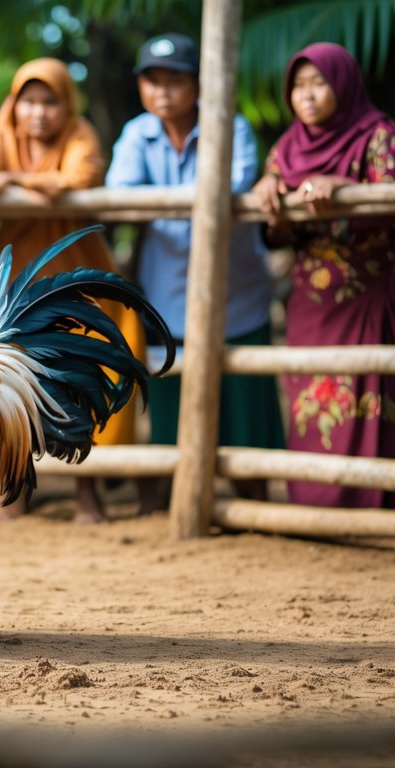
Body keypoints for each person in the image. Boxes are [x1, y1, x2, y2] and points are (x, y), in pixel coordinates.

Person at [107, 33, 283, 516]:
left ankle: (257, 504)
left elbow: (236, 182)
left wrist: (166, 200)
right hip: (165, 297)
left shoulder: (232, 127)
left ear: (199, 83)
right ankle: (170, 504)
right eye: (152, 80)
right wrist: (185, 198)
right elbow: (119, 193)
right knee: (170, 410)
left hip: (236, 293)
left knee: (249, 406)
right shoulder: (135, 134)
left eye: (175, 80)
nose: (162, 91)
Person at [0, 57, 145, 523]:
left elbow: (78, 179)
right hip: (16, 280)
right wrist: (17, 181)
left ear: (67, 105)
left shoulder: (81, 131)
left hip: (81, 277)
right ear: (15, 105)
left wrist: (13, 180)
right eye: (29, 102)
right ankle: (14, 487)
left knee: (87, 369)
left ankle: (89, 490)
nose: (39, 113)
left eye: (50, 102)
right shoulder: (3, 132)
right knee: (7, 378)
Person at [252, 42, 395, 509]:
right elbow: (274, 236)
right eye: (298, 87)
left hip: (368, 294)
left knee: (371, 397)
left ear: (343, 84)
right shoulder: (286, 149)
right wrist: (270, 197)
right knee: (309, 399)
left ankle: (373, 509)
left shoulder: (379, 136)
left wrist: (345, 188)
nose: (308, 96)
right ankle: (318, 506)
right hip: (310, 301)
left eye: (319, 83)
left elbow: (394, 204)